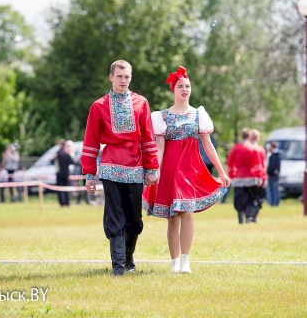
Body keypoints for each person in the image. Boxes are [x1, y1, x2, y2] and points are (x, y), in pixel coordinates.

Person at [142, 66, 229, 274]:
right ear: (173, 90)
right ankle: (174, 263)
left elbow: (208, 146)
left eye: (187, 86)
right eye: (180, 86)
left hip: (190, 169)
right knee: (173, 217)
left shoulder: (198, 115)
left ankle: (185, 260)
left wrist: (222, 171)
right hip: (170, 169)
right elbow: (159, 147)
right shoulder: (162, 116)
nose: (184, 89)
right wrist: (157, 169)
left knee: (188, 212)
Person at [82, 60, 159, 276]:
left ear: (131, 78)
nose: (123, 80)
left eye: (127, 77)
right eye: (119, 77)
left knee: (134, 217)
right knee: (114, 215)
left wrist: (151, 167)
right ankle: (118, 266)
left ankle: (128, 258)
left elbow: (147, 137)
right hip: (110, 165)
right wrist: (89, 173)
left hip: (135, 165)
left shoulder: (141, 103)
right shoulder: (99, 106)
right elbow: (91, 140)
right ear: (111, 77)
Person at [56, 140, 74, 207]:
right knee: (67, 188)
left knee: (60, 189)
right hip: (67, 173)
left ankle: (62, 203)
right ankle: (67, 202)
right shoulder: (67, 154)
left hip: (60, 173)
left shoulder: (58, 153)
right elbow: (72, 162)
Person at [266, 141, 281, 207]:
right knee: (274, 189)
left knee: (274, 189)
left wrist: (268, 172)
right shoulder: (276, 154)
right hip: (274, 174)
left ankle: (274, 203)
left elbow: (271, 165)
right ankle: (273, 203)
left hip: (273, 174)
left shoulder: (274, 155)